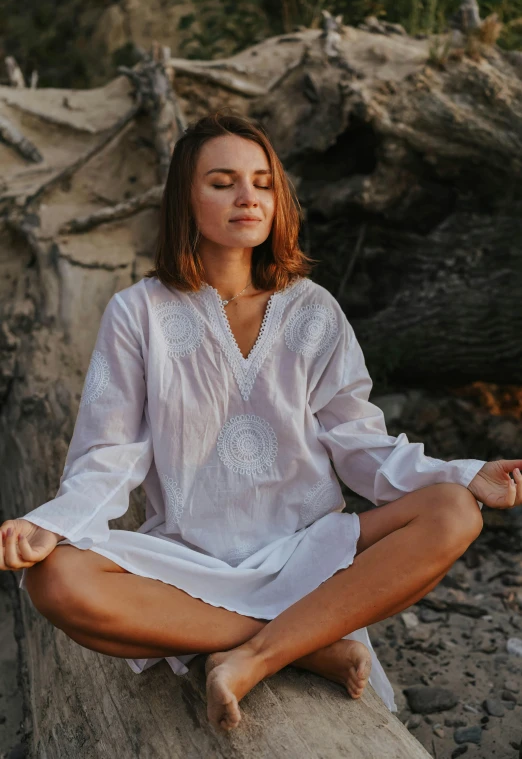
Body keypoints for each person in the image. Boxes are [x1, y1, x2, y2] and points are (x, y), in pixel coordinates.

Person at [1, 111, 521, 734]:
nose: (248, 196)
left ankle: (258, 654)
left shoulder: (314, 309)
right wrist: (48, 523)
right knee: (54, 580)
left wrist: (464, 474)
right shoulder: (138, 311)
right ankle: (310, 642)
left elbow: (360, 446)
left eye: (262, 182)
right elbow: (109, 454)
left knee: (454, 513)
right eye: (222, 182)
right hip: (190, 561)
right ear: (185, 201)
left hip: (310, 551)